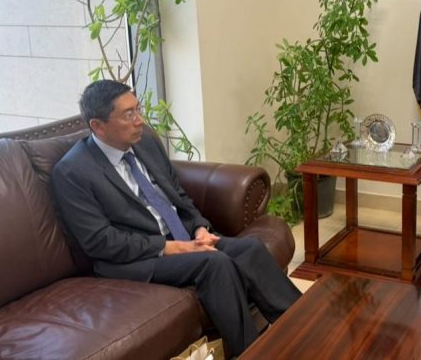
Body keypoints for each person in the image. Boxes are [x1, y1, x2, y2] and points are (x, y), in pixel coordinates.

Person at [52, 80, 301, 357]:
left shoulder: (145, 142)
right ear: (98, 126)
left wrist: (199, 228)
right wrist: (172, 247)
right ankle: (252, 352)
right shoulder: (73, 172)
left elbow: (177, 195)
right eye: (128, 114)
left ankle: (305, 330)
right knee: (214, 263)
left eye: (138, 109)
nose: (139, 120)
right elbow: (101, 242)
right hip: (133, 260)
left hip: (178, 235)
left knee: (250, 249)